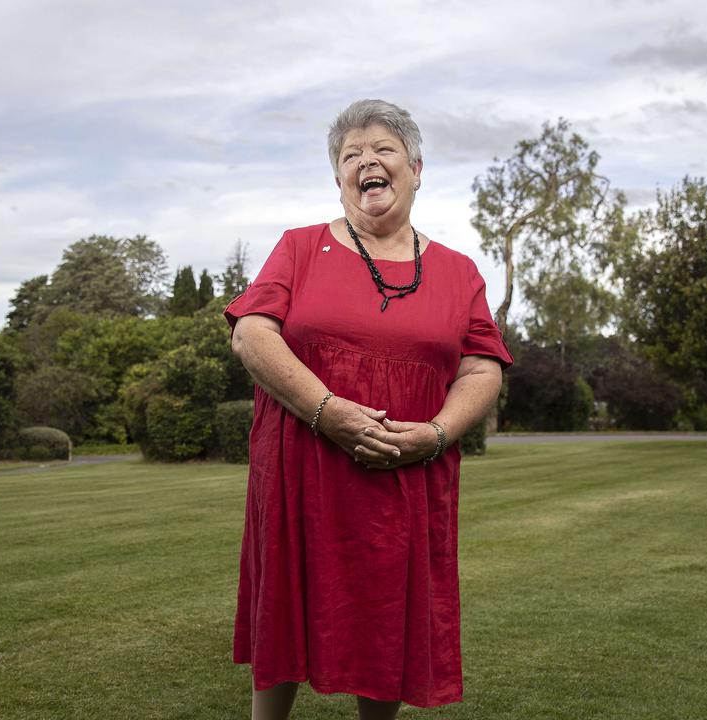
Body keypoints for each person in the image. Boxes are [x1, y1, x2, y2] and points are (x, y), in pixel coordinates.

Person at [225, 98, 512, 720]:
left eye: (381, 149)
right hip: (302, 474)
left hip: (403, 478)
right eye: (350, 155)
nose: (366, 162)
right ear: (338, 180)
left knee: (387, 619)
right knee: (288, 610)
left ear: (415, 168)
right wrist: (328, 411)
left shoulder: (458, 271)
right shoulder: (299, 249)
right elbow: (251, 334)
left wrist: (436, 434)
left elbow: (482, 367)